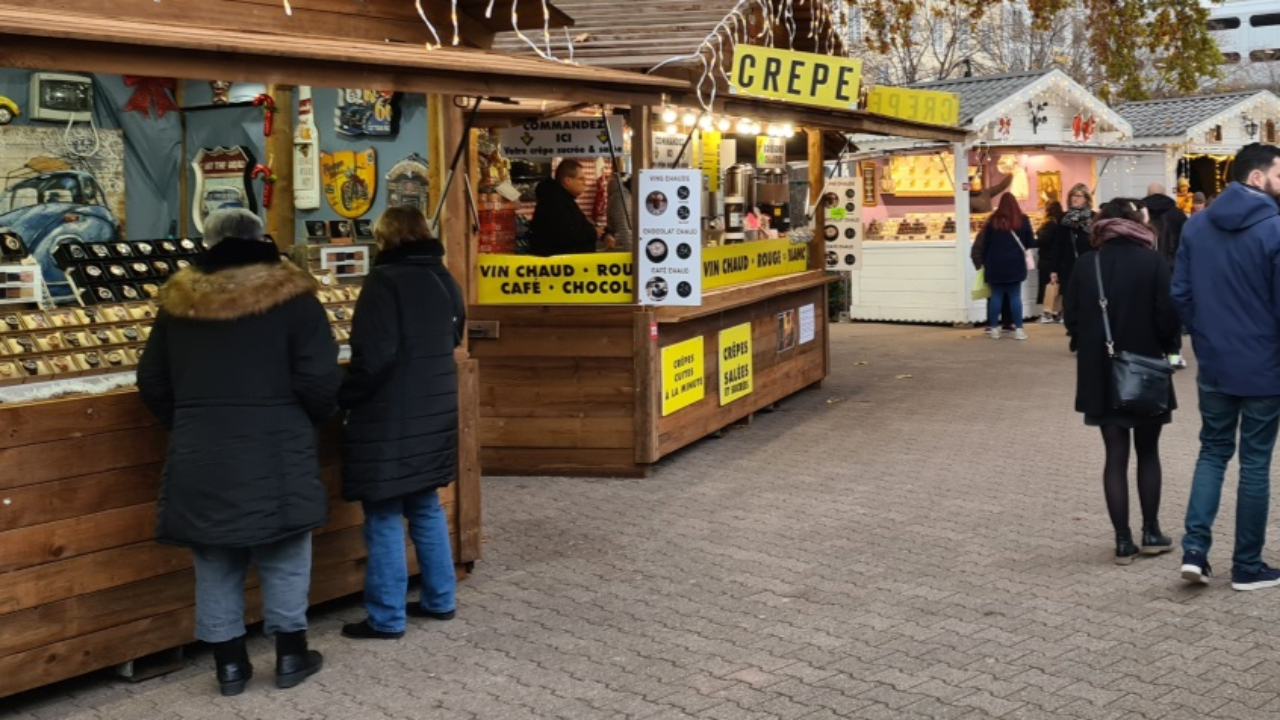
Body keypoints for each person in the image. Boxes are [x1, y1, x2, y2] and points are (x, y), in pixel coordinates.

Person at [136, 209, 341, 696]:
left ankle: (229, 666)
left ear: (208, 242)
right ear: (260, 237)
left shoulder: (177, 302)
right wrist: (303, 420)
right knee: (285, 550)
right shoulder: (294, 299)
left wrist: (188, 422)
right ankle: (291, 656)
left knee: (215, 557)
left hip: (200, 448)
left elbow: (152, 381)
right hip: (277, 445)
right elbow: (319, 380)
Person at [338, 206, 464, 640]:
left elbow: (372, 358)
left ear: (385, 238)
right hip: (434, 409)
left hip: (389, 415)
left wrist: (344, 397)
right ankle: (440, 598)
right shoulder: (443, 278)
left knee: (385, 512)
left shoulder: (383, 283)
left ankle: (387, 617)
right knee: (425, 505)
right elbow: (453, 336)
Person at [1172, 143, 1280, 592]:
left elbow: (1179, 294)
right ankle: (1247, 566)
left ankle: (1195, 552)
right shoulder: (1275, 229)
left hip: (1214, 363)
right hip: (1263, 366)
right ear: (1257, 178)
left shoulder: (1196, 226)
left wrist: (1204, 336)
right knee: (1254, 463)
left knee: (1213, 452)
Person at [1064, 199, 1181, 564]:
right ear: (1135, 223)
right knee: (1148, 452)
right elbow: (1167, 317)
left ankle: (1122, 541)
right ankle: (1151, 532)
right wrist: (1169, 350)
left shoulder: (1087, 264)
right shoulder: (1152, 262)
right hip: (1145, 369)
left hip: (1101, 372)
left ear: (1101, 225)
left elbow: (1072, 320)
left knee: (1114, 456)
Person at [1143, 182, 1190, 369]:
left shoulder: (1140, 212)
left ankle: (1151, 353)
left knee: (1146, 308)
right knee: (1170, 310)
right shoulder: (1177, 214)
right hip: (1172, 267)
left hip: (1145, 266)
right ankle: (1173, 353)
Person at [529, 159, 614, 256]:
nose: (585, 183)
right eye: (581, 179)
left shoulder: (563, 199)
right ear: (567, 181)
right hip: (558, 266)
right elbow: (566, 235)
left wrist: (603, 234)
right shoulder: (554, 202)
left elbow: (581, 225)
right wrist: (593, 233)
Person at [979, 193, 1035, 340]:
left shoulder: (993, 221)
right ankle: (1019, 329)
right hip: (1015, 264)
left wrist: (985, 262)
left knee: (996, 296)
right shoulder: (1023, 220)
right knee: (1015, 296)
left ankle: (994, 329)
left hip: (994, 264)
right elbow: (1030, 242)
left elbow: (985, 244)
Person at [1048, 184, 1095, 300]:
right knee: (1069, 300)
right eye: (1072, 196)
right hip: (1067, 265)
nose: (1074, 198)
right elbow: (1058, 244)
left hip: (1088, 264)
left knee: (1088, 298)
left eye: (1078, 196)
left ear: (1086, 199)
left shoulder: (1093, 217)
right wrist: (1054, 269)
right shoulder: (1064, 218)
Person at [1036, 201, 1065, 323]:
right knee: (1059, 287)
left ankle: (1047, 312)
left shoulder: (1049, 224)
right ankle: (1059, 312)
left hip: (1047, 259)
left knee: (1048, 286)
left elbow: (1043, 240)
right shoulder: (1063, 223)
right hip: (1060, 258)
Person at [604, 174, 634, 251]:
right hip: (625, 252)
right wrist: (630, 256)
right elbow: (624, 231)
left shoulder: (624, 196)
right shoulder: (622, 198)